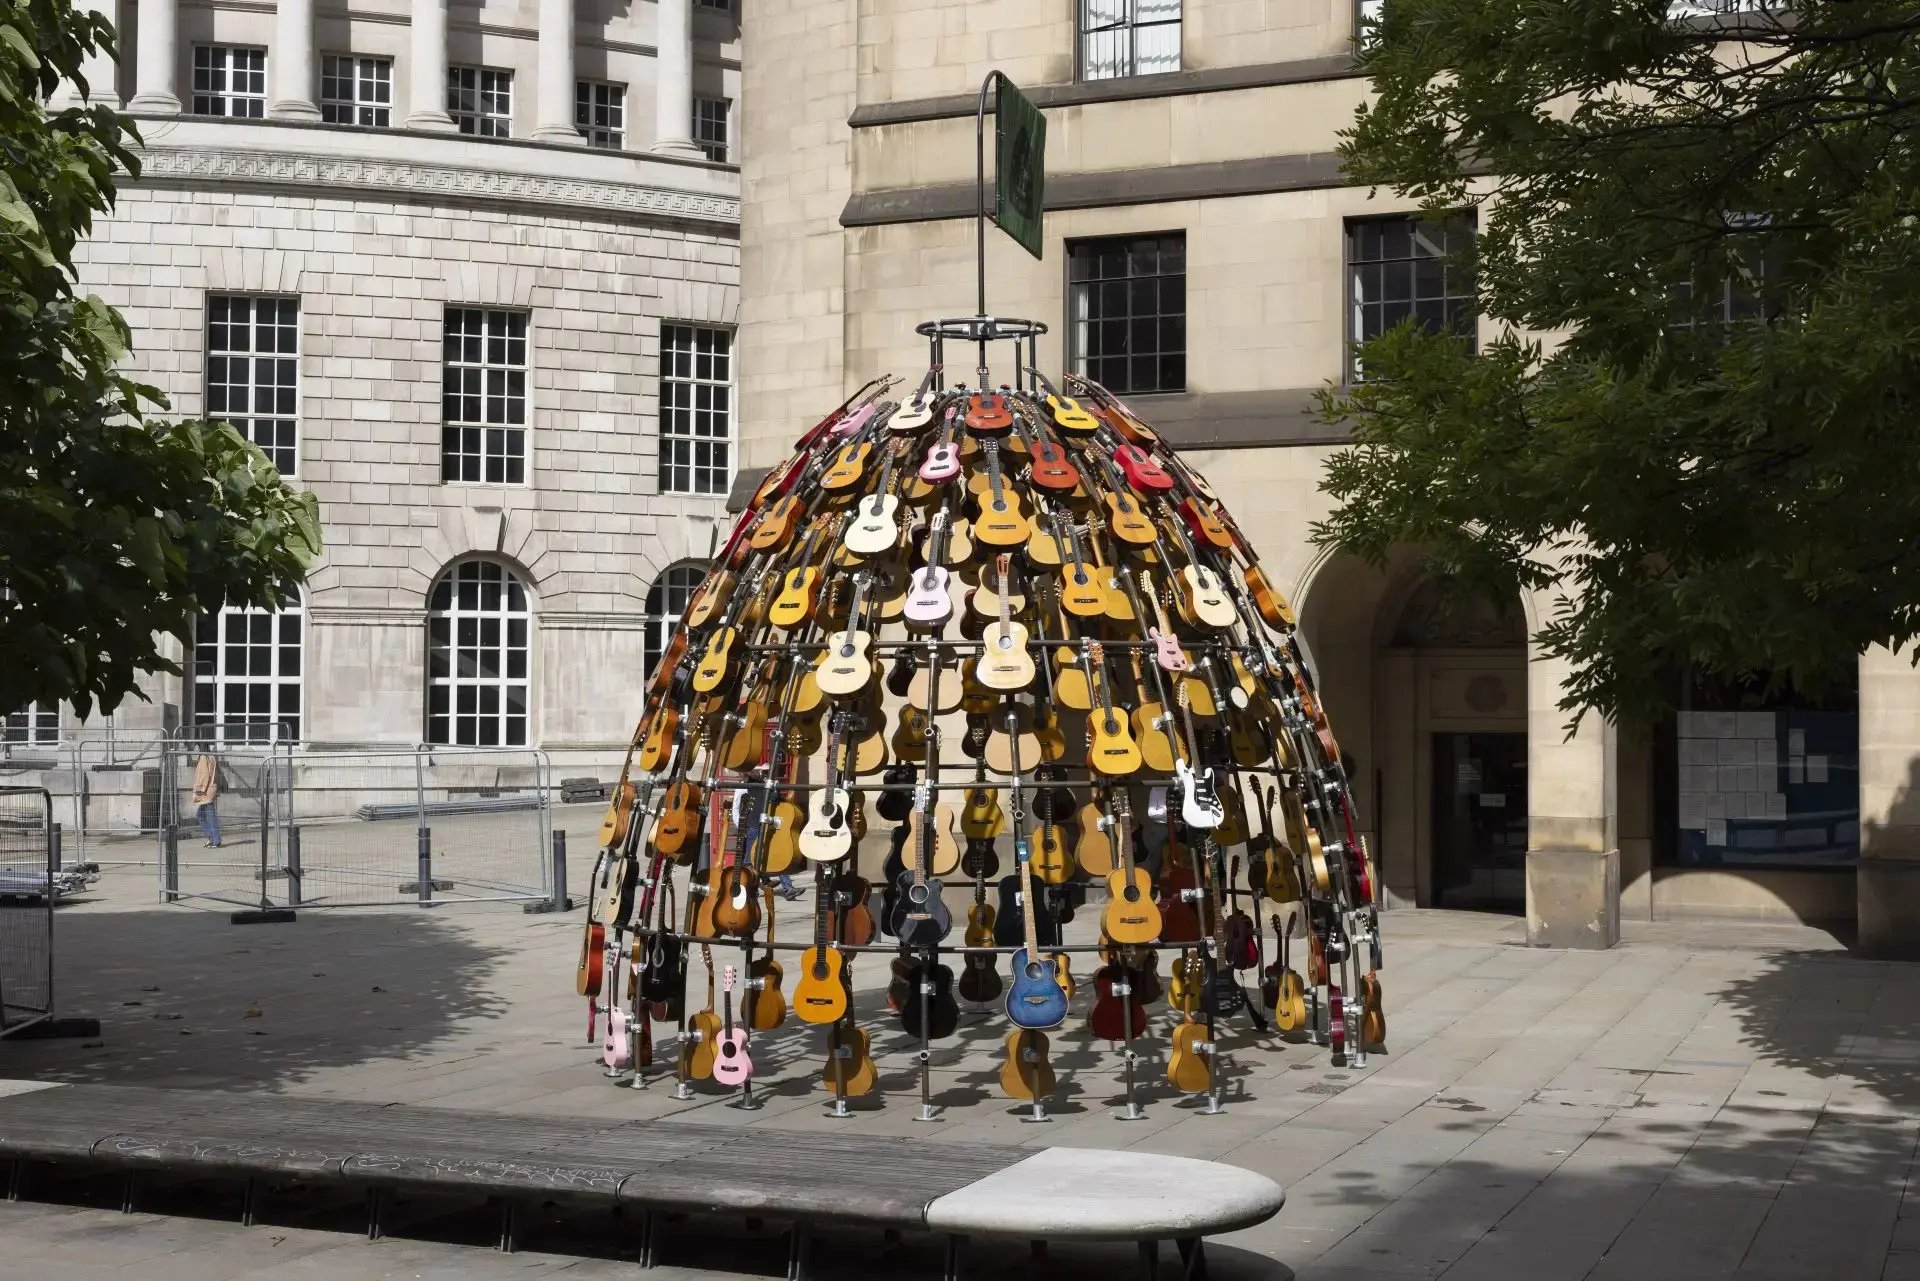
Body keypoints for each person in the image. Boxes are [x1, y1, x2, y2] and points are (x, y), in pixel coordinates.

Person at [192, 752, 222, 848]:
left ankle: (215, 840)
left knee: (209, 816)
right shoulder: (212, 756)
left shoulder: (204, 757)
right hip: (210, 789)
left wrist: (199, 790)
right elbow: (216, 773)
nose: (195, 749)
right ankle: (212, 838)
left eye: (196, 747)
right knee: (202, 814)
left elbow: (204, 775)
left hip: (206, 791)